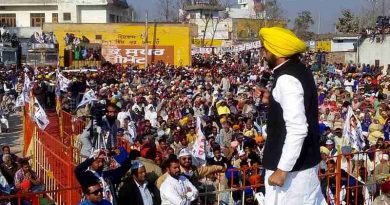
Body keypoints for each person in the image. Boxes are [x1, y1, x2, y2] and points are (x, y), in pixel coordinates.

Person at [258, 27, 326, 205]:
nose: (264, 56)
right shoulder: (300, 70)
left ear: (276, 52)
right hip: (303, 168)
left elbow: (297, 128)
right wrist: (272, 100)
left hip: (292, 177)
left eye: (265, 50)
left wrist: (282, 170)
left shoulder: (286, 79)